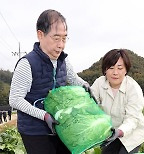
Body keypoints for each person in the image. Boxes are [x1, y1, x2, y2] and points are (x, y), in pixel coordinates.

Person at [9, 9, 90, 154]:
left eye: (64, 38)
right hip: (35, 130)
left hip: (60, 126)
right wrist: (44, 115)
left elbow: (73, 79)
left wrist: (85, 85)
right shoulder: (27, 64)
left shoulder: (63, 60)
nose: (61, 45)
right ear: (40, 35)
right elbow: (15, 100)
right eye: (56, 38)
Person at [91, 49, 144, 154]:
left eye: (120, 68)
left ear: (126, 70)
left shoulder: (133, 89)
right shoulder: (99, 83)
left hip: (132, 135)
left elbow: (132, 119)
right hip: (110, 132)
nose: (115, 72)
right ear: (105, 70)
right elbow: (90, 104)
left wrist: (120, 132)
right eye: (111, 68)